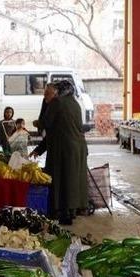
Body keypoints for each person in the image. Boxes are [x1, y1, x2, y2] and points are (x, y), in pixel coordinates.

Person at [39, 80, 88, 225]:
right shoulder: (75, 103)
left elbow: (45, 123)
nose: (46, 96)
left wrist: (44, 106)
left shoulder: (57, 103)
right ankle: (71, 212)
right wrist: (40, 149)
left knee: (62, 180)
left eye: (47, 93)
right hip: (77, 147)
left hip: (64, 148)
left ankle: (63, 213)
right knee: (72, 180)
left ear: (57, 92)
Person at [31, 83, 57, 157]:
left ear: (55, 94)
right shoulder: (46, 101)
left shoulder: (58, 107)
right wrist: (38, 150)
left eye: (47, 93)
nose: (44, 95)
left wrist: (39, 123)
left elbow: (53, 132)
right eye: (44, 93)